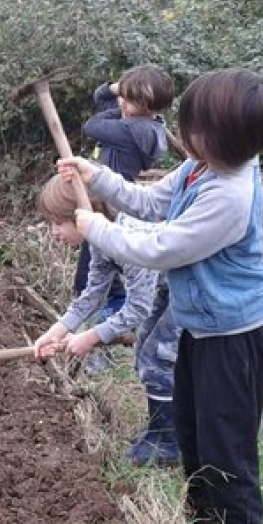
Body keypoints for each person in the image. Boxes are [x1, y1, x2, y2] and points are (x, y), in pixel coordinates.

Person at [57, 68, 263, 524]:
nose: (187, 135)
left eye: (196, 127)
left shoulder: (230, 193)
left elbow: (160, 248)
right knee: (191, 429)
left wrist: (97, 228)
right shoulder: (201, 168)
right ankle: (204, 523)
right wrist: (98, 178)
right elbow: (155, 201)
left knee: (228, 446)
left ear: (226, 139)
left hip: (234, 334)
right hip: (202, 327)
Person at [31, 175, 182, 466]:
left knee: (159, 357)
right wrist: (59, 329)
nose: (54, 233)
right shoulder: (100, 241)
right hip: (166, 288)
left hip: (190, 287)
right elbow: (93, 294)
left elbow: (137, 308)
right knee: (145, 355)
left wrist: (91, 337)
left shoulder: (130, 238)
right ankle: (171, 426)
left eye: (58, 223)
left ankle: (167, 442)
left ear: (82, 215)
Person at [72, 65, 176, 374]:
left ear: (145, 106)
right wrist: (122, 91)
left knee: (95, 277)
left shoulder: (138, 130)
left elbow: (92, 126)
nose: (120, 103)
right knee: (106, 274)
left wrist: (123, 101)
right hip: (113, 198)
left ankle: (99, 344)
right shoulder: (149, 124)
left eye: (129, 101)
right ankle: (101, 334)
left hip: (113, 204)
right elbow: (101, 97)